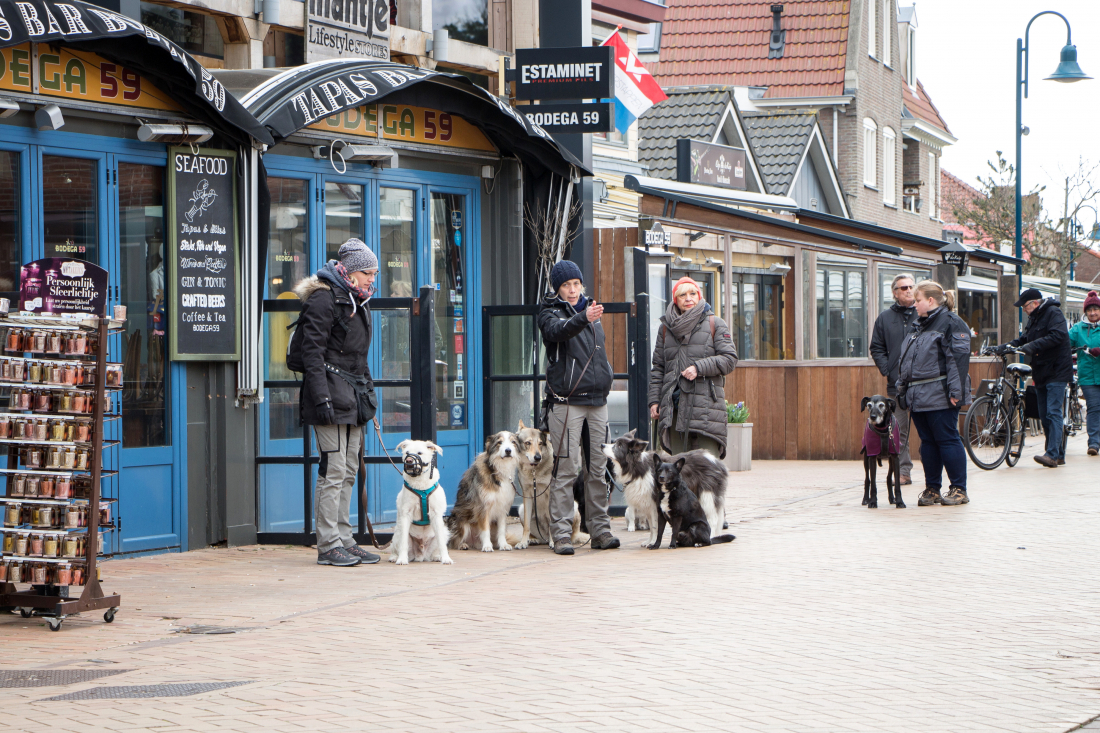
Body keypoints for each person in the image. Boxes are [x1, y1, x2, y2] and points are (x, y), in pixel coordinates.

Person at [295, 238, 381, 567]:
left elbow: (360, 358)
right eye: (369, 272)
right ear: (353, 272)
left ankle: (345, 539)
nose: (373, 278)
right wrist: (322, 398)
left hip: (353, 397)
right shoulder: (323, 299)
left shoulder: (358, 299)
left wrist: (369, 398)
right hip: (329, 396)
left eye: (374, 273)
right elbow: (311, 354)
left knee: (348, 471)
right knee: (332, 471)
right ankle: (328, 544)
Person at [537, 261, 619, 555]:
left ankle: (600, 531)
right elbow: (560, 331)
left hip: (598, 401)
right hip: (566, 403)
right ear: (557, 289)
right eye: (565, 285)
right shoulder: (549, 312)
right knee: (567, 469)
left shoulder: (592, 311)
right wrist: (584, 317)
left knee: (598, 469)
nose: (572, 290)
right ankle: (560, 535)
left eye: (576, 284)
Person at [895, 281, 971, 507]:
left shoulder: (951, 323)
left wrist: (955, 392)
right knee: (927, 443)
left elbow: (958, 360)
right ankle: (932, 488)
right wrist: (902, 388)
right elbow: (906, 360)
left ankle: (959, 489)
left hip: (941, 394)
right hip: (918, 395)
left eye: (917, 300)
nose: (914, 304)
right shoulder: (918, 325)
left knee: (948, 440)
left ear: (930, 300)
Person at [649, 276, 738, 458]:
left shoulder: (715, 324)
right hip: (674, 408)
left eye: (692, 293)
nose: (688, 298)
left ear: (699, 297)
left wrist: (699, 367)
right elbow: (658, 367)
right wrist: (654, 401)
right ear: (676, 300)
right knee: (679, 469)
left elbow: (729, 359)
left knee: (706, 470)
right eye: (683, 295)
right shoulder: (665, 328)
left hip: (706, 407)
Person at [993, 288, 1073, 468]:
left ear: (1035, 303)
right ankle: (1058, 454)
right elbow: (1024, 338)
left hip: (1057, 370)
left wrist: (1032, 346)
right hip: (1042, 371)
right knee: (1044, 415)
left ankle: (1051, 455)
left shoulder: (1053, 313)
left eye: (1025, 306)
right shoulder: (1034, 318)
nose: (1024, 310)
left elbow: (1058, 335)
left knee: (1053, 412)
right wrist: (1005, 346)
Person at [869, 274, 919, 485]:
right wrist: (887, 369)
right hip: (897, 385)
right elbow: (876, 347)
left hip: (925, 383)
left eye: (911, 286)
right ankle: (903, 472)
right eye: (904, 287)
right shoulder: (884, 318)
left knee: (930, 432)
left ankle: (935, 476)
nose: (908, 290)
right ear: (895, 292)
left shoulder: (924, 313)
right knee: (899, 431)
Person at [1069, 290, 1100, 456]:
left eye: (1096, 309)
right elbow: (1065, 342)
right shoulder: (1077, 329)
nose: (1093, 313)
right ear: (1085, 312)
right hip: (1088, 376)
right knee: (1094, 407)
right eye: (1089, 310)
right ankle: (1094, 443)